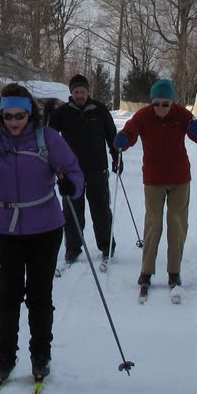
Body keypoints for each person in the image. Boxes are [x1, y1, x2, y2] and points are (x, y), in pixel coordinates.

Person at [0, 82, 84, 382]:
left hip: (45, 227)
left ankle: (40, 355)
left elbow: (75, 173)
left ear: (30, 115)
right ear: (0, 115)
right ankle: (5, 357)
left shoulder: (48, 139)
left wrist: (71, 186)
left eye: (19, 116)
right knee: (8, 295)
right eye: (8, 116)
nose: (13, 122)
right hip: (3, 228)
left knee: (40, 295)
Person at [113, 77, 197, 297]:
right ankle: (146, 271)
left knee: (177, 224)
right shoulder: (143, 116)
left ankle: (174, 271)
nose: (161, 108)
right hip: (154, 179)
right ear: (152, 102)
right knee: (153, 223)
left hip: (179, 178)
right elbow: (130, 133)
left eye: (165, 104)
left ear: (172, 103)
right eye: (157, 103)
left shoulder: (182, 115)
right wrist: (122, 139)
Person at [47, 72, 120, 266]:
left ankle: (107, 247)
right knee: (71, 213)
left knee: (101, 210)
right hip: (70, 172)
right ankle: (72, 248)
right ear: (72, 93)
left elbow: (112, 137)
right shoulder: (61, 112)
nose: (80, 95)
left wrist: (116, 158)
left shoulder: (100, 110)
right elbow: (50, 139)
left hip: (97, 169)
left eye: (83, 91)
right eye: (77, 91)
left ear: (88, 92)